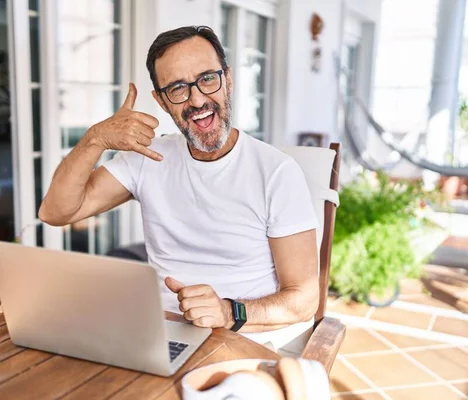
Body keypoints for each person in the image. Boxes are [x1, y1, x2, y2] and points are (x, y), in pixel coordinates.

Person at [39, 26, 319, 355]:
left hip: (246, 341)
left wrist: (230, 312)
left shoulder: (276, 173)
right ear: (161, 100)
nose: (197, 99)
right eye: (177, 89)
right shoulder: (147, 159)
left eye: (208, 79)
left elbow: (303, 299)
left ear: (228, 79)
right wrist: (95, 140)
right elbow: (56, 212)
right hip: (158, 335)